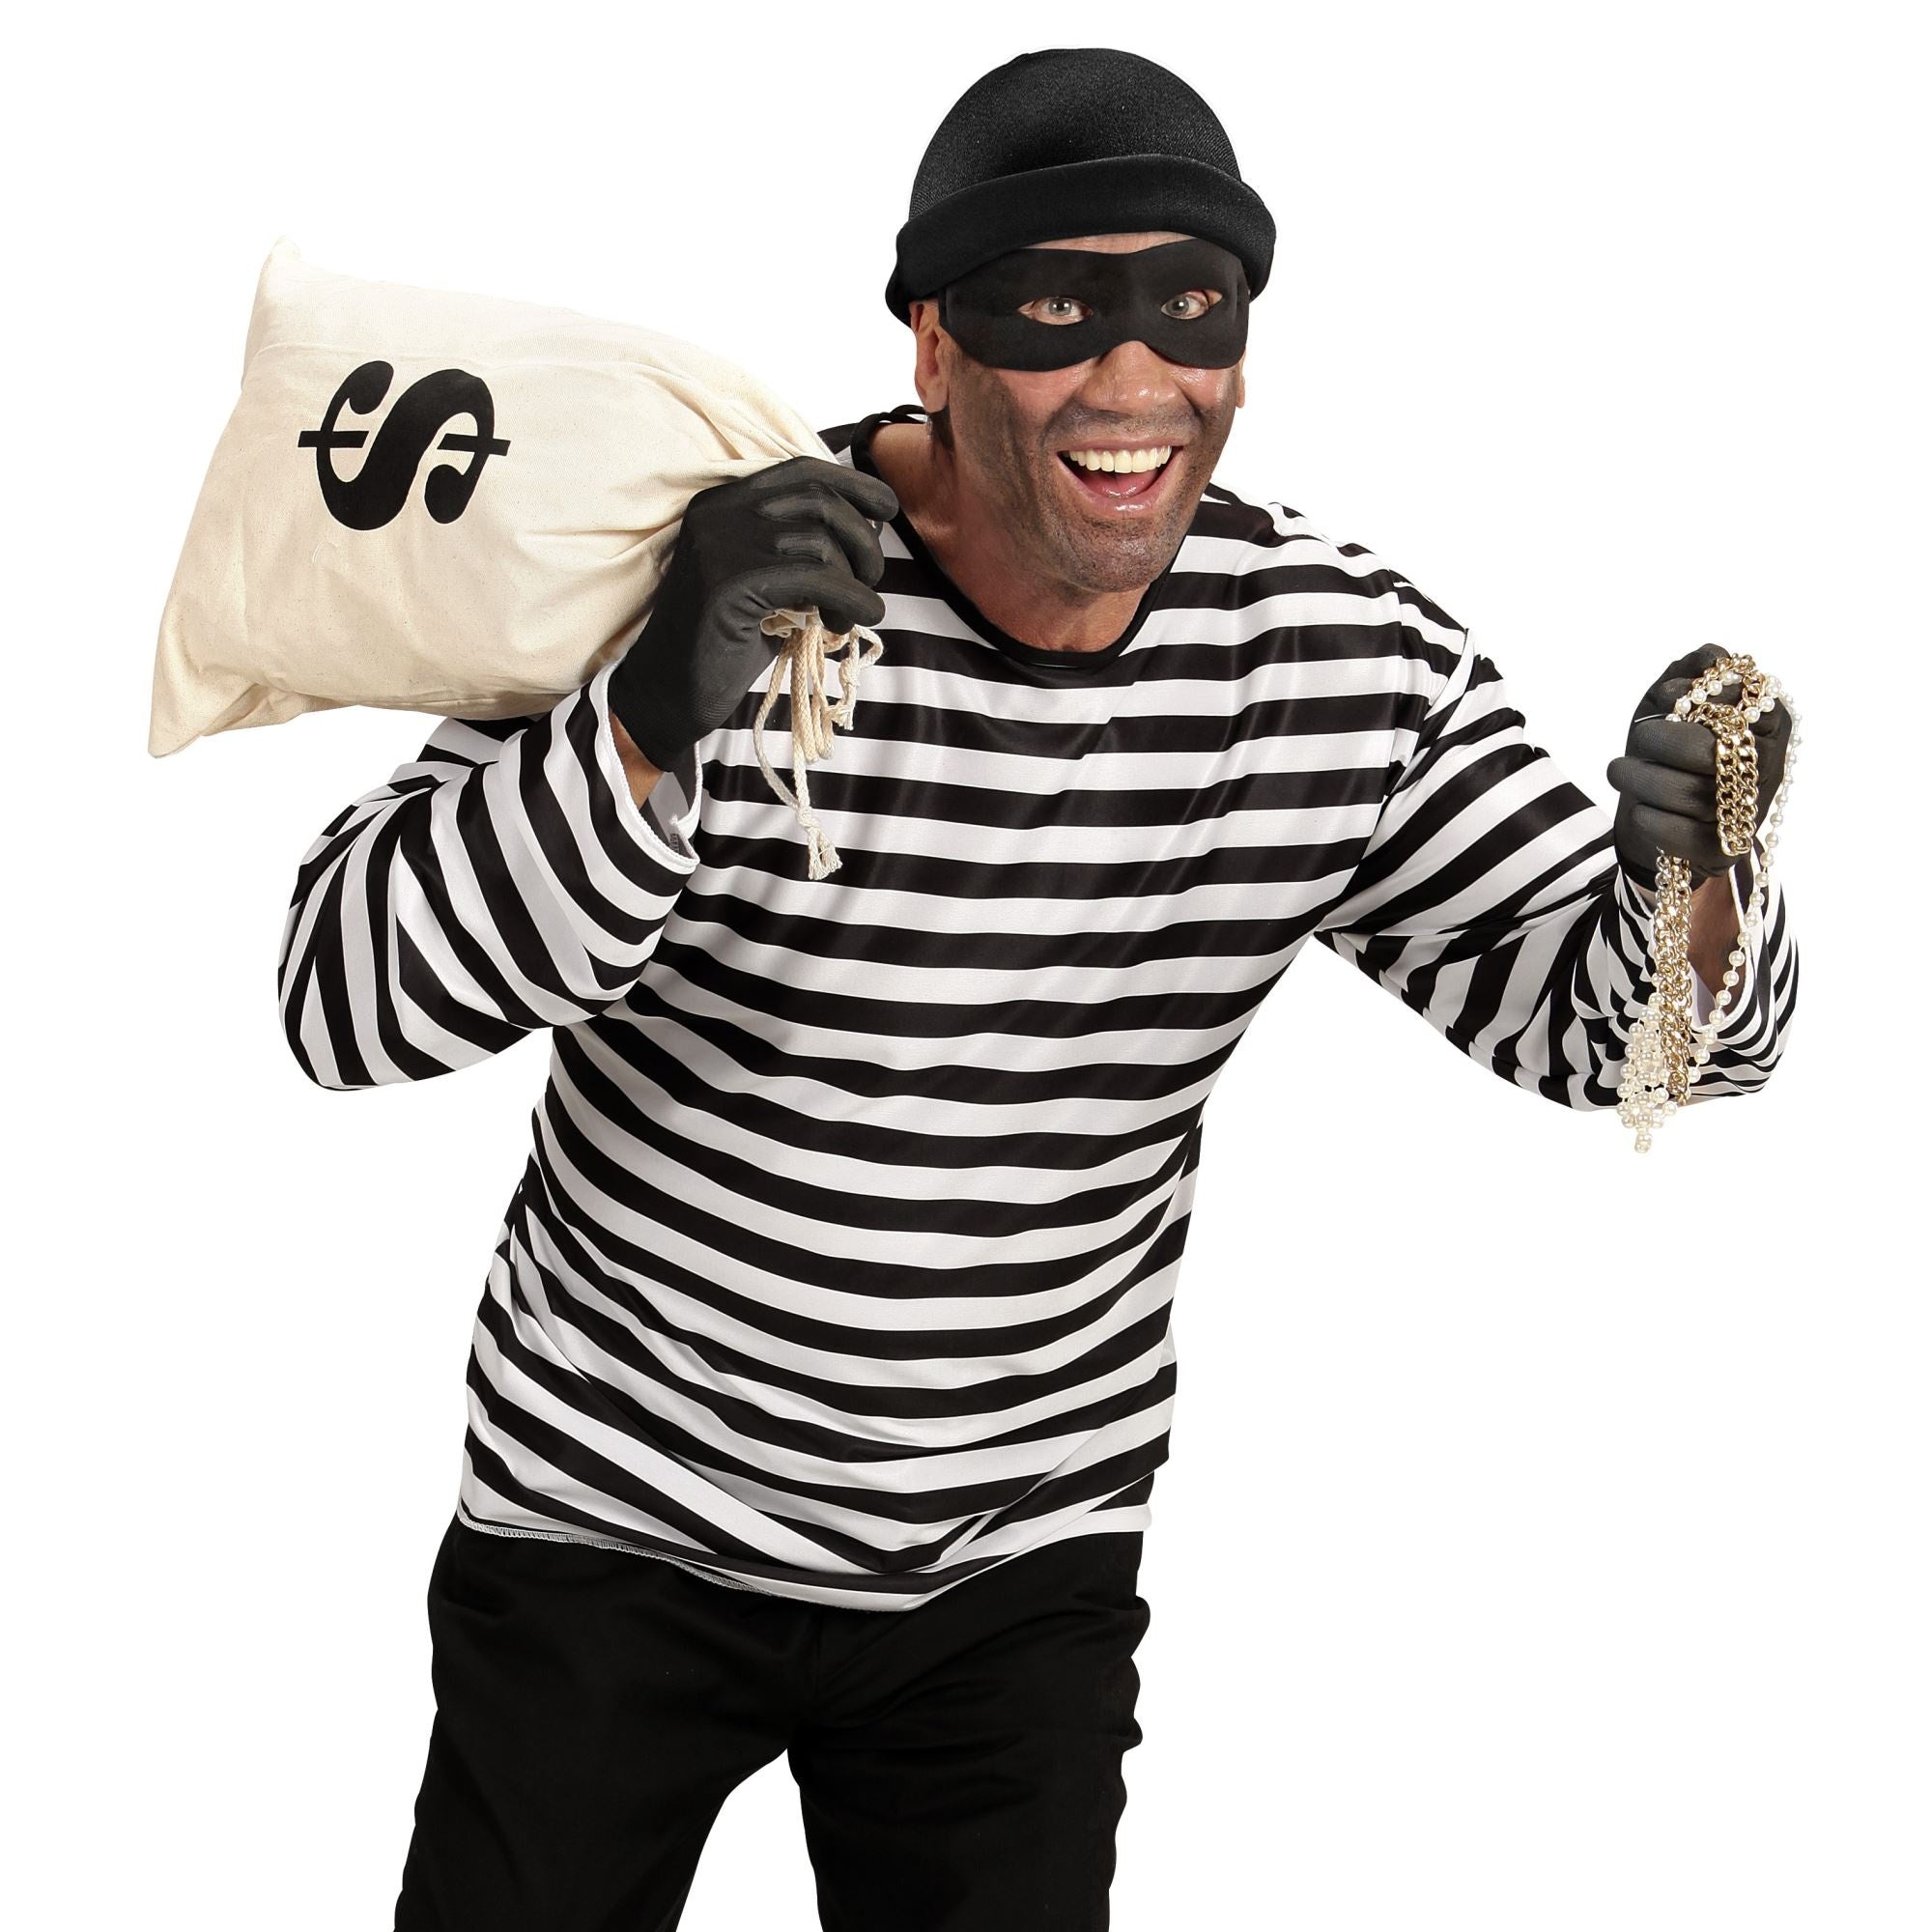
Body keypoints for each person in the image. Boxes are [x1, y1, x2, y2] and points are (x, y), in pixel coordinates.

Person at [275, 45, 1800, 1932]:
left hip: (1012, 1574)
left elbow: (1626, 1046)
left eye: (1191, 305)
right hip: (611, 1523)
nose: (1134, 379)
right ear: (933, 341)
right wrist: (656, 702)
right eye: (1056, 310)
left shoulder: (1334, 662)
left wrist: (1697, 880)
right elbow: (342, 997)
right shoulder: (716, 574)